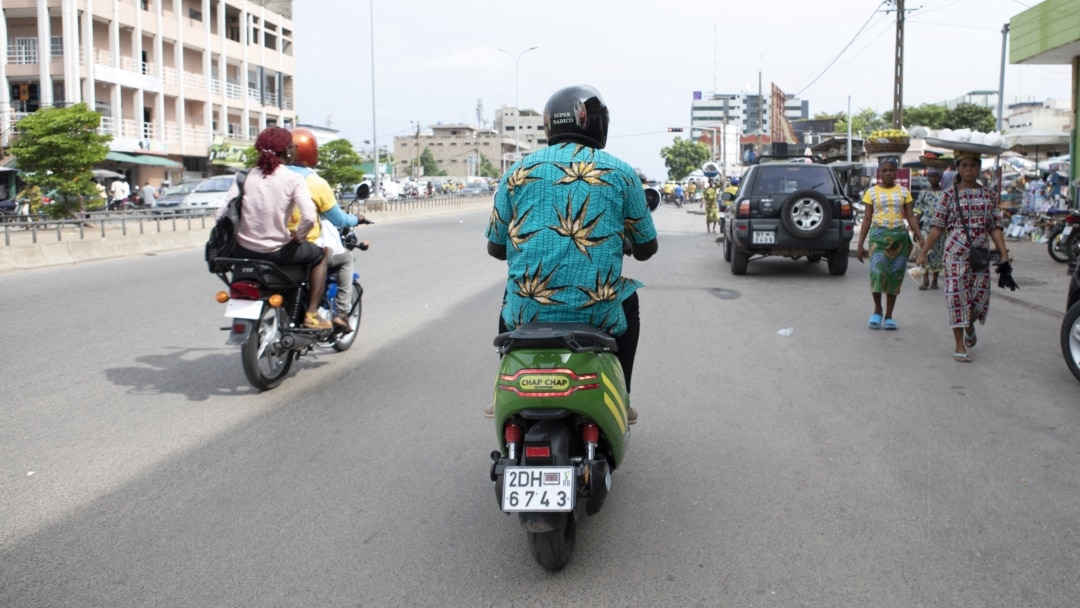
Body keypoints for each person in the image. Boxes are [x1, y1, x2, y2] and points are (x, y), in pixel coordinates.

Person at [485, 85, 658, 423]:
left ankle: (502, 388)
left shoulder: (517, 172)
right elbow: (647, 249)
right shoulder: (622, 173)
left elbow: (495, 248)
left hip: (527, 310)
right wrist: (621, 242)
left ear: (550, 125)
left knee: (510, 295)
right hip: (598, 312)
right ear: (595, 123)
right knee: (630, 301)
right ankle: (622, 397)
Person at [217, 126, 331, 330]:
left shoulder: (244, 176)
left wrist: (240, 234)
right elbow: (309, 217)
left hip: (242, 250)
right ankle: (312, 314)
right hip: (278, 252)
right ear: (288, 151)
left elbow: (221, 213)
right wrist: (299, 237)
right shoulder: (293, 179)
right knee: (320, 256)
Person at [915, 151, 1010, 363]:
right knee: (957, 298)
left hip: (980, 254)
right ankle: (959, 344)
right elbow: (937, 227)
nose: (969, 170)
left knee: (979, 300)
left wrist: (1003, 253)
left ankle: (969, 324)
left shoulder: (989, 195)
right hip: (955, 254)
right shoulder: (948, 195)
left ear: (979, 168)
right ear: (958, 168)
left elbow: (995, 226)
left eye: (973, 166)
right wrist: (923, 252)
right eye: (965, 165)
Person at [286, 127, 364, 332]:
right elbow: (338, 218)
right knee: (345, 259)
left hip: (269, 244)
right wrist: (357, 218)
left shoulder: (271, 175)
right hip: (303, 245)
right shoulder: (314, 182)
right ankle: (341, 313)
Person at [856, 156, 923, 330]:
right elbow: (867, 219)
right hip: (878, 237)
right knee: (877, 273)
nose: (888, 173)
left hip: (899, 238)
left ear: (896, 171)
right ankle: (877, 310)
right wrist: (860, 244)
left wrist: (920, 236)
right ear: (879, 172)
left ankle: (889, 315)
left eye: (891, 170)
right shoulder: (871, 193)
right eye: (884, 170)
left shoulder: (904, 192)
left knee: (894, 276)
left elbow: (910, 216)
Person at [914, 167, 946, 290]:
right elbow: (918, 211)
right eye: (931, 176)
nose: (933, 179)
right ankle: (925, 280)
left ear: (940, 178)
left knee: (938, 253)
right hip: (926, 227)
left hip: (941, 228)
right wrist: (915, 229)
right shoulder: (923, 193)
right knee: (925, 252)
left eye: (936, 176)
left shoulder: (945, 193)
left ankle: (935, 280)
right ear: (928, 178)